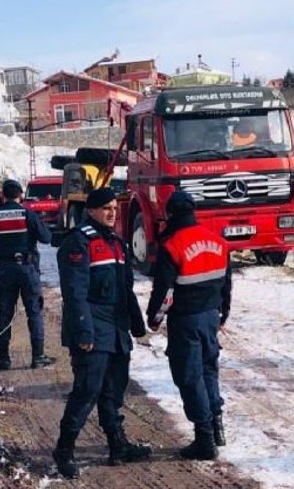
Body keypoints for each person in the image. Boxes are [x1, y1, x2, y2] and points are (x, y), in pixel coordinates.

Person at [52, 187, 150, 479]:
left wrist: (136, 321)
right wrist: (83, 331)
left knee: (113, 391)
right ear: (92, 210)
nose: (112, 212)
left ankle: (117, 445)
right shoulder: (78, 242)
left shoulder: (117, 243)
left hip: (117, 329)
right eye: (106, 208)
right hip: (92, 328)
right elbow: (74, 293)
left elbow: (126, 288)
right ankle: (64, 449)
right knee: (87, 391)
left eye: (114, 208)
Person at [146, 191, 232, 461]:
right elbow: (226, 285)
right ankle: (217, 427)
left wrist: (155, 318)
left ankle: (204, 439)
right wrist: (222, 315)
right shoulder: (218, 241)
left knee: (190, 375)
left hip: (186, 321)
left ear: (170, 215)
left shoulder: (172, 246)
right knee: (209, 370)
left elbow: (164, 292)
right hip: (210, 317)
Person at [0, 179, 54, 370]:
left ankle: (4, 358)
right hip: (28, 269)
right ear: (20, 195)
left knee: (5, 312)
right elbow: (47, 238)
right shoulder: (28, 213)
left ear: (2, 196)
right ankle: (38, 356)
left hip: (6, 269)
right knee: (34, 311)